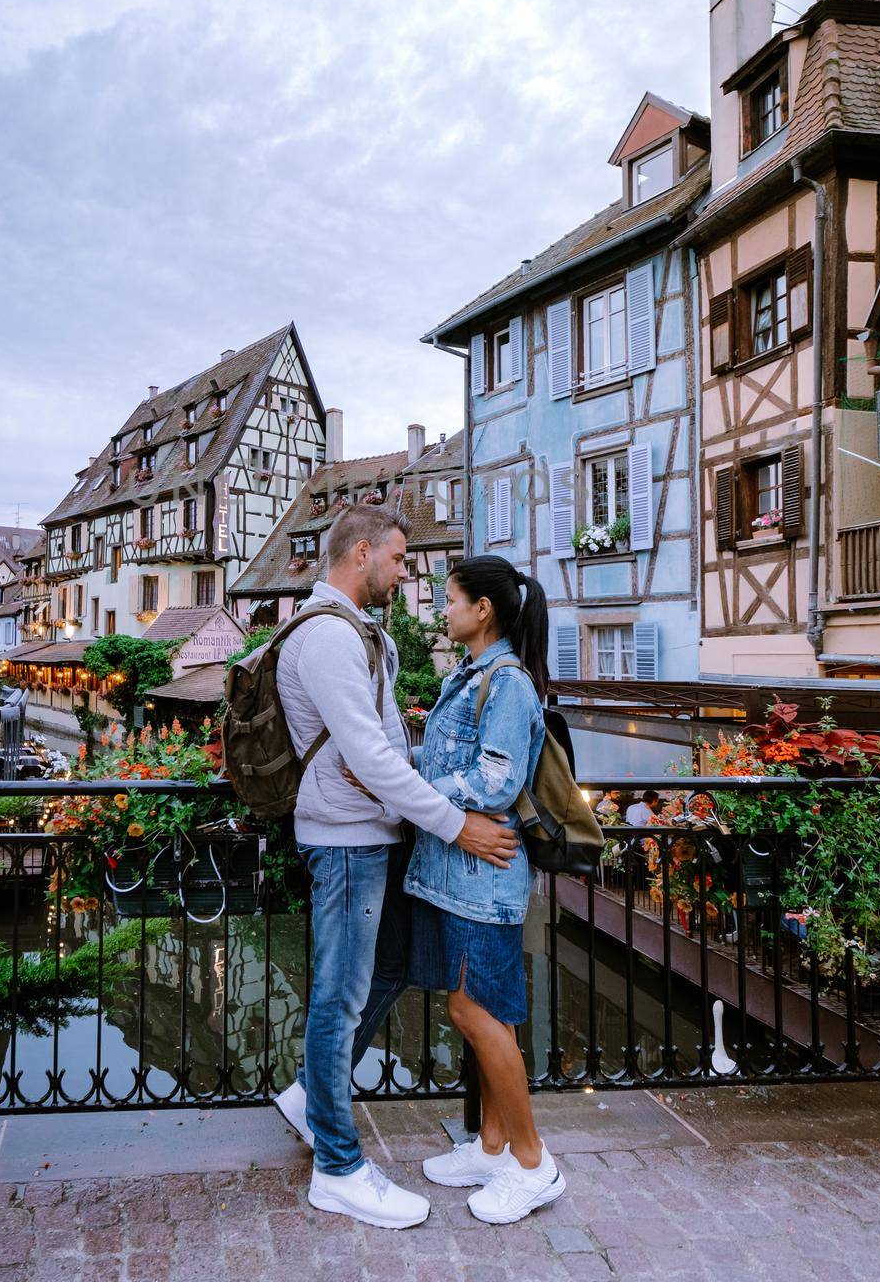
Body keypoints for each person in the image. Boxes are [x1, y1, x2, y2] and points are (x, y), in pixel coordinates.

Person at [273, 505, 520, 1230]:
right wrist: (456, 825)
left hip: (369, 834)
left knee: (383, 973)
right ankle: (339, 1168)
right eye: (399, 558)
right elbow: (368, 755)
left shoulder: (353, 630)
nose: (407, 571)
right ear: (361, 553)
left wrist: (421, 787)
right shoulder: (325, 637)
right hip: (345, 841)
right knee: (339, 998)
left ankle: (304, 1102)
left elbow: (384, 748)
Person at [404, 555, 566, 1225]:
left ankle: (532, 1163)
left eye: (449, 600)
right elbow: (448, 761)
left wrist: (412, 794)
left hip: (484, 877)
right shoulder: (470, 677)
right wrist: (393, 770)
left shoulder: (507, 684)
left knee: (475, 1013)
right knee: (479, 1010)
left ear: (482, 611)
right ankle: (493, 1146)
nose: (441, 611)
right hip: (458, 874)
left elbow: (496, 780)